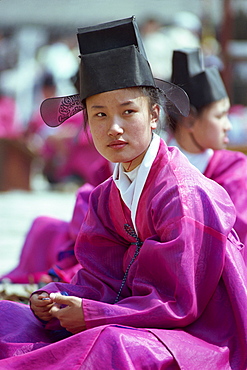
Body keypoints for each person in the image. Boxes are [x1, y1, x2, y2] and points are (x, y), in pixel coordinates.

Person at [0, 16, 247, 369]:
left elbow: (179, 302)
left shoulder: (183, 195)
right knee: (6, 316)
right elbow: (99, 278)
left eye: (128, 111)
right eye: (99, 114)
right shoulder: (105, 196)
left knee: (112, 346)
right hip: (130, 316)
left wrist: (94, 313)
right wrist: (60, 299)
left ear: (154, 115)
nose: (113, 127)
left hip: (199, 333)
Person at [167, 48, 247, 250]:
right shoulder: (157, 166)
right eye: (219, 116)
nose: (228, 125)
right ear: (189, 120)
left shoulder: (233, 169)